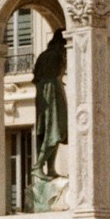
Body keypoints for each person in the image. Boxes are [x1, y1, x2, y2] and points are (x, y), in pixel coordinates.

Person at [33, 28, 68, 178]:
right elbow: (59, 75)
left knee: (48, 131)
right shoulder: (58, 55)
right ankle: (38, 166)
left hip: (42, 94)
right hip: (54, 92)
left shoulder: (42, 55)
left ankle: (50, 168)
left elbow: (35, 77)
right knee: (56, 130)